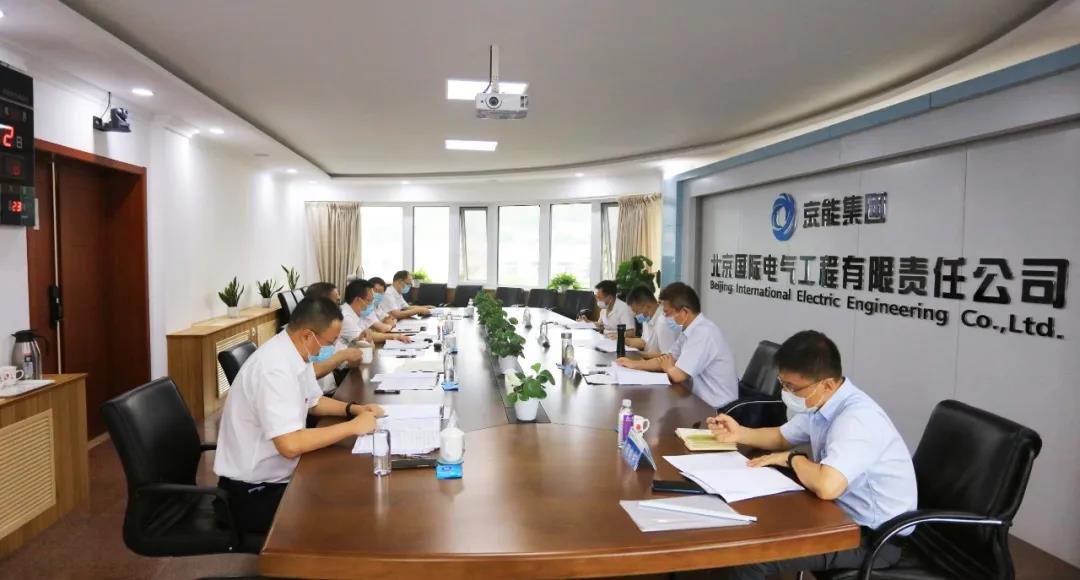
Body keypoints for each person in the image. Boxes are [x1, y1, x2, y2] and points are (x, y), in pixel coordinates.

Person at [713, 330, 917, 579]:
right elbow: (781, 437)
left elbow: (827, 486)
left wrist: (793, 459)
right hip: (837, 515)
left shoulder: (857, 419)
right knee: (746, 527)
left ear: (827, 384)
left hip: (873, 539)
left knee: (750, 556)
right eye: (782, 383)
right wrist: (739, 433)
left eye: (792, 387)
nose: (785, 392)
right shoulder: (821, 403)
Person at [214, 297, 383, 534]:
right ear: (307, 335)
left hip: (280, 475)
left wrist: (355, 409)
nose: (333, 348)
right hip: (254, 493)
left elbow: (314, 401)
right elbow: (290, 445)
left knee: (351, 486)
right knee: (349, 511)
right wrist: (353, 426)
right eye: (330, 342)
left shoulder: (294, 354)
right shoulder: (273, 369)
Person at [616, 282, 737, 408]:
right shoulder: (688, 331)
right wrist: (634, 364)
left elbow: (677, 375)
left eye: (667, 313)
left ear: (684, 312)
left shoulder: (703, 333)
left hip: (719, 408)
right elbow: (667, 358)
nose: (664, 317)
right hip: (697, 400)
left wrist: (668, 367)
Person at [339, 278, 413, 346]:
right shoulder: (345, 316)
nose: (371, 304)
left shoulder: (357, 313)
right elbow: (365, 337)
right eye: (369, 301)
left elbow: (371, 334)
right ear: (358, 300)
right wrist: (395, 336)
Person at [624, 284, 679, 356]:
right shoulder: (646, 317)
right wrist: (624, 340)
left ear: (646, 306)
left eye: (636, 311)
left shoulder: (664, 321)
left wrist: (641, 355)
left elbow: (667, 356)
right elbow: (644, 342)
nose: (635, 315)